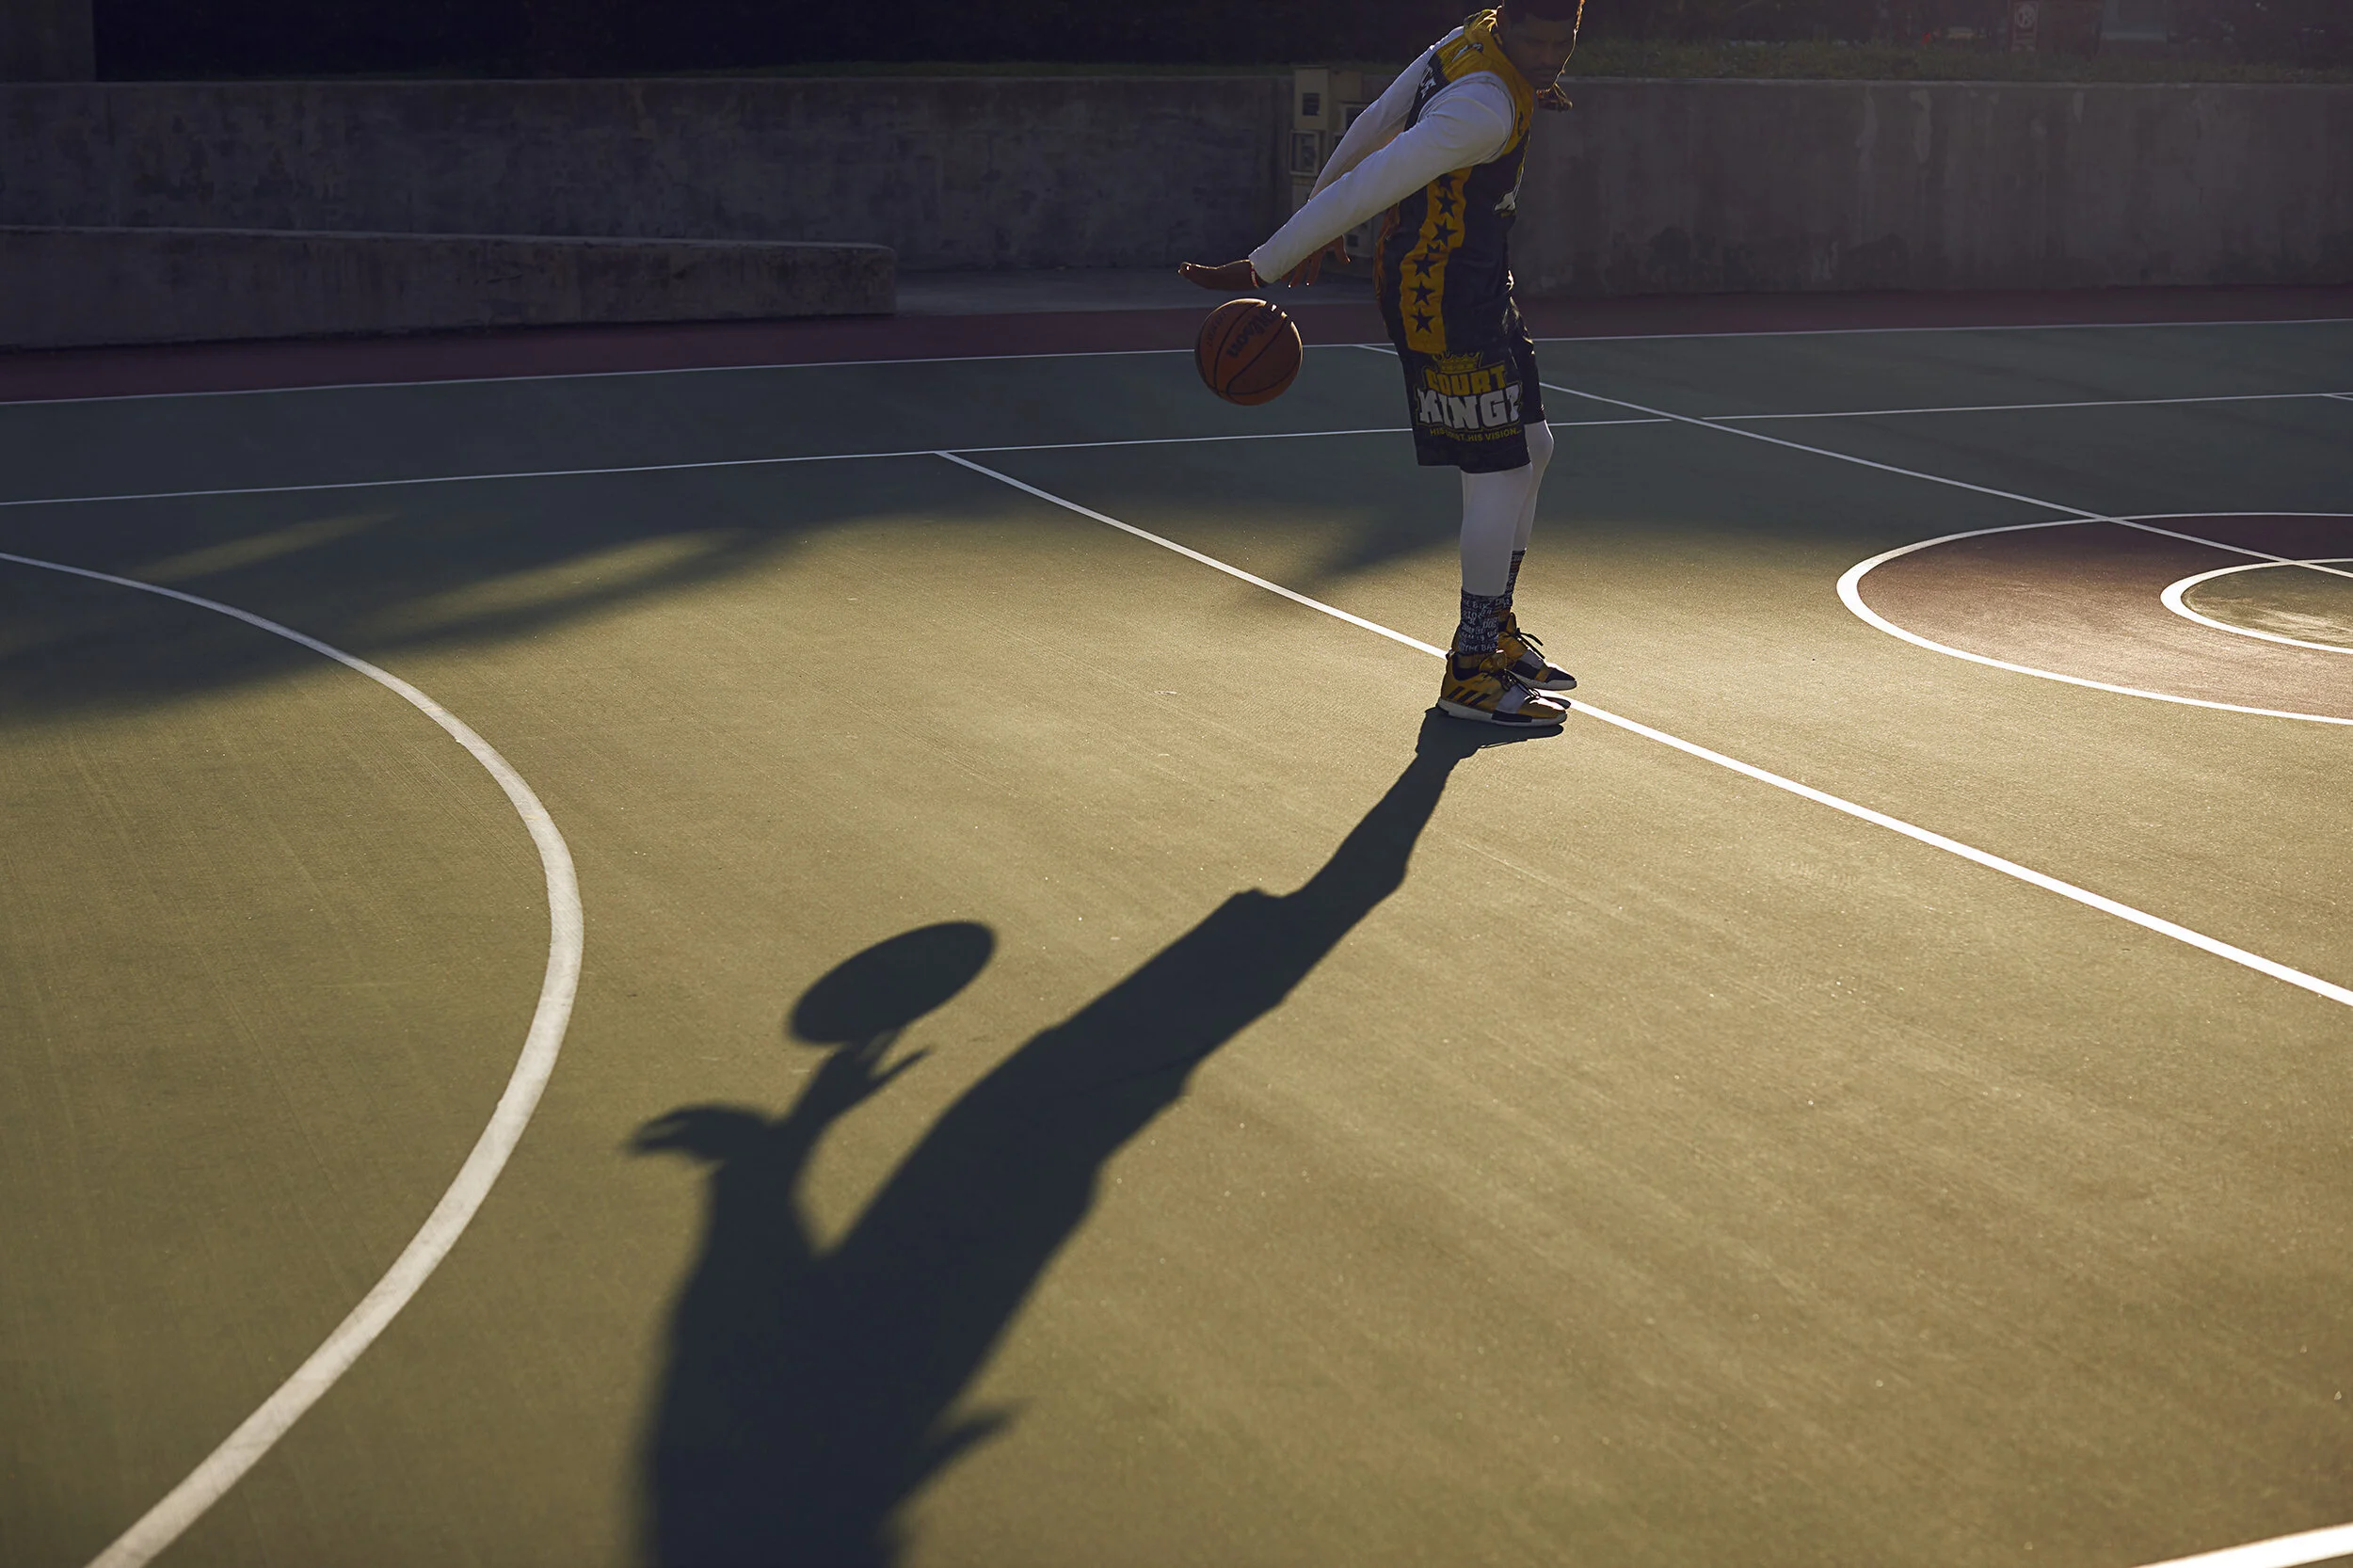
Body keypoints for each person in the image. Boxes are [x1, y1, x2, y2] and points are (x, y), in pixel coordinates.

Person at [1183, 3, 1586, 727]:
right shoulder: (1483, 107)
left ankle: (1494, 631)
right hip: (1441, 295)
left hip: (1479, 275)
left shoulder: (1473, 37)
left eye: (1566, 40)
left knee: (1534, 446)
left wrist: (1314, 207)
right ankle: (1470, 674)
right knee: (1499, 471)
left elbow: (1376, 115)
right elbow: (1383, 172)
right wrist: (1268, 261)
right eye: (1539, 39)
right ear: (1511, 26)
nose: (1552, 54)